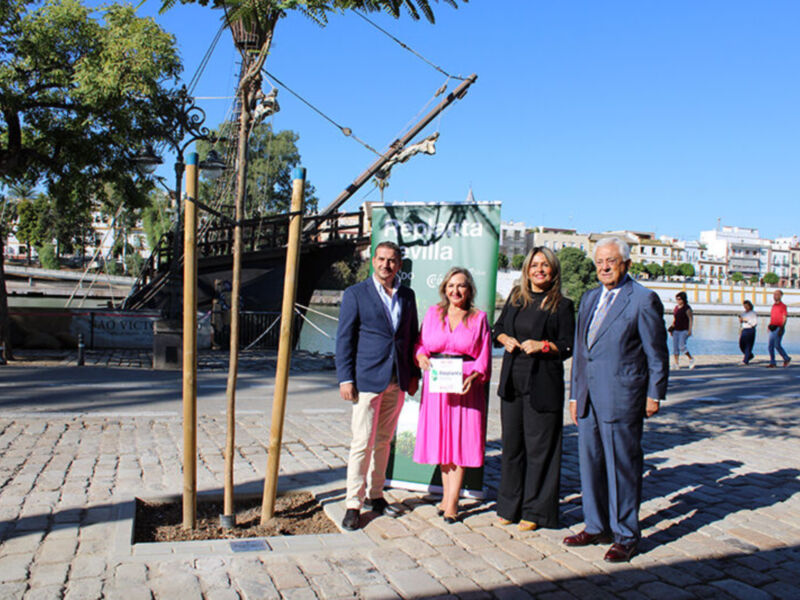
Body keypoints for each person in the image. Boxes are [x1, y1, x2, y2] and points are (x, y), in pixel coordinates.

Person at [564, 237, 668, 563]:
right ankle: (596, 525)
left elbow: (657, 353)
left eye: (610, 261)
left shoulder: (643, 299)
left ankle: (626, 534)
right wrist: (573, 394)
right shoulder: (590, 297)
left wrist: (654, 393)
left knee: (622, 467)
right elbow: (582, 353)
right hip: (588, 399)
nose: (604, 267)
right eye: (599, 262)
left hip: (623, 397)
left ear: (626, 264)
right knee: (590, 464)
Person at [335, 241, 420, 531]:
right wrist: (345, 378)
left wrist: (413, 375)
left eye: (392, 260)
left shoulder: (408, 296)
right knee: (361, 443)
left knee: (384, 441)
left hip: (397, 379)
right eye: (382, 259)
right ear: (373, 261)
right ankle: (352, 504)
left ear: (399, 264)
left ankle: (376, 495)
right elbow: (344, 339)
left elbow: (410, 337)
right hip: (367, 380)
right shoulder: (355, 294)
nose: (386, 265)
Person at [492, 247, 575, 531]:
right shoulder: (516, 298)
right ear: (527, 270)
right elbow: (497, 328)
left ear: (553, 271)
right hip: (513, 383)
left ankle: (536, 512)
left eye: (545, 265)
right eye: (534, 265)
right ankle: (509, 506)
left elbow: (568, 346)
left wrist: (543, 345)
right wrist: (504, 338)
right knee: (512, 447)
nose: (539, 270)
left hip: (543, 385)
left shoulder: (562, 305)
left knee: (541, 450)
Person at [413, 267, 492, 523]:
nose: (455, 291)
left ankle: (453, 502)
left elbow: (484, 355)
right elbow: (421, 343)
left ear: (469, 290)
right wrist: (421, 355)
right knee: (444, 443)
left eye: (461, 286)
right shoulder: (433, 313)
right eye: (451, 285)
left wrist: (475, 375)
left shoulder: (479, 317)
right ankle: (447, 496)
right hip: (437, 385)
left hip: (465, 384)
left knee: (459, 442)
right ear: (444, 288)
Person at [670, 291, 695, 370]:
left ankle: (691, 358)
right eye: (677, 299)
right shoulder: (676, 308)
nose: (678, 301)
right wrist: (671, 329)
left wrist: (690, 330)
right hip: (676, 330)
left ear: (683, 299)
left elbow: (690, 319)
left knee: (682, 346)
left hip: (684, 330)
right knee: (675, 347)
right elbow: (675, 319)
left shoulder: (687, 308)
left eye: (679, 299)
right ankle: (676, 363)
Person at [767, 289, 791, 368]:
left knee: (777, 345)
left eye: (777, 294)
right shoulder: (774, 305)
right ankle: (772, 362)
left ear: (781, 296)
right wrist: (769, 325)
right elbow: (773, 317)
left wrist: (782, 328)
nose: (775, 296)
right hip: (772, 327)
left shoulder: (783, 306)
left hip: (778, 327)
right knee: (770, 346)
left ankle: (786, 358)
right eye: (774, 295)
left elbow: (784, 317)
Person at [738, 300, 757, 365]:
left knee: (748, 345)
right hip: (744, 329)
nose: (745, 307)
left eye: (746, 306)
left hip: (750, 330)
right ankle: (749, 355)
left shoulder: (753, 313)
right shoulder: (743, 313)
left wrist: (746, 320)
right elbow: (742, 323)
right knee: (741, 345)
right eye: (744, 306)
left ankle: (745, 360)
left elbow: (754, 323)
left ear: (750, 306)